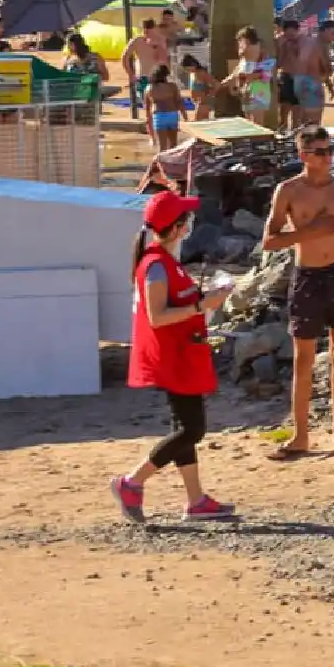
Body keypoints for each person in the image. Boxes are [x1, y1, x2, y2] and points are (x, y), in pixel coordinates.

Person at [110, 190, 236, 523]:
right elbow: (157, 317)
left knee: (183, 426)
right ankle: (131, 482)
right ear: (177, 227)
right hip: (174, 358)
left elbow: (174, 304)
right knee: (192, 430)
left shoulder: (163, 261)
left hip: (182, 353)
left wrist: (206, 298)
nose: (190, 223)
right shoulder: (156, 265)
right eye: (186, 219)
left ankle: (196, 501)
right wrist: (201, 305)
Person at [262, 128, 334, 458]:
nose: (328, 158)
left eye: (330, 150)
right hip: (307, 276)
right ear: (304, 155)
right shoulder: (288, 190)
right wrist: (309, 232)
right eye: (321, 152)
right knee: (303, 358)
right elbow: (269, 241)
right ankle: (300, 435)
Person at [298, 20, 334, 127]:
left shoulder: (324, 45)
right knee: (310, 120)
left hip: (316, 84)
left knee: (314, 120)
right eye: (333, 33)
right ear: (324, 31)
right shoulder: (312, 45)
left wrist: (329, 85)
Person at [229, 25, 275, 126]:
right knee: (248, 121)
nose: (239, 43)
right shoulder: (245, 54)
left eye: (241, 40)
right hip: (247, 86)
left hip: (259, 87)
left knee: (257, 122)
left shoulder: (259, 50)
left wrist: (251, 76)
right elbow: (238, 70)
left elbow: (267, 73)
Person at [121, 18, 169, 101]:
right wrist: (130, 74)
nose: (146, 31)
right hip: (143, 76)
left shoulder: (160, 40)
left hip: (158, 77)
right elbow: (124, 57)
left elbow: (163, 59)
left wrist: (156, 46)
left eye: (149, 28)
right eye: (145, 28)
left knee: (159, 101)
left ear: (154, 28)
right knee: (144, 101)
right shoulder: (137, 40)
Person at [144, 65, 187, 151]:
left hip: (159, 116)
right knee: (173, 145)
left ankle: (162, 160)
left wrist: (151, 135)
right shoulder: (172, 86)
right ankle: (173, 159)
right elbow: (179, 102)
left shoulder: (149, 88)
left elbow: (147, 110)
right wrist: (185, 117)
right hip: (172, 115)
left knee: (162, 147)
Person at [180, 54, 217, 121]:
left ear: (192, 65)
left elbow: (216, 85)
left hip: (203, 104)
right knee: (199, 122)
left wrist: (209, 96)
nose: (186, 71)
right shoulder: (194, 74)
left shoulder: (201, 73)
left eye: (186, 68)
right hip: (198, 103)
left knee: (201, 122)